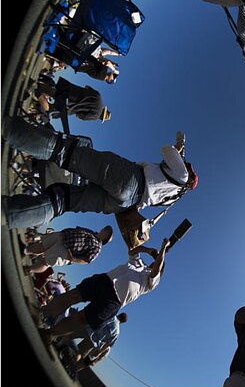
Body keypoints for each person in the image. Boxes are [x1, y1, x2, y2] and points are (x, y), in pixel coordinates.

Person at [2, 117, 197, 228]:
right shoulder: (174, 197)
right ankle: (6, 214)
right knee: (63, 201)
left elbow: (166, 150)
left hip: (129, 179)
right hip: (124, 203)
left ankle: (8, 128)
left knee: (64, 152)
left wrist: (177, 149)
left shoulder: (183, 176)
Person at [40, 240, 170, 341]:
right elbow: (133, 252)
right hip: (105, 281)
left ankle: (49, 334)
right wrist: (148, 250)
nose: (157, 261)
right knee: (73, 296)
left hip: (114, 301)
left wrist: (163, 249)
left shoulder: (153, 281)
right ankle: (41, 313)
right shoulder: (139, 263)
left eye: (159, 261)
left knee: (81, 319)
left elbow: (156, 270)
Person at [24, 224, 113, 274]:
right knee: (42, 246)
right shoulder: (92, 232)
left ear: (105, 238)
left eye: (107, 232)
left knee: (47, 262)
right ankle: (25, 250)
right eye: (105, 229)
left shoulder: (98, 248)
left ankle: (29, 269)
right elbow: (77, 229)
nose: (104, 229)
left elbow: (87, 260)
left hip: (67, 251)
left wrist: (72, 259)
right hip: (62, 236)